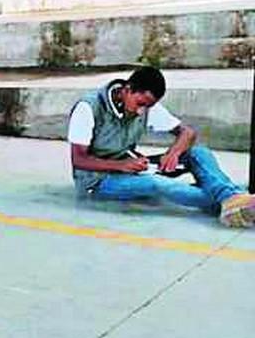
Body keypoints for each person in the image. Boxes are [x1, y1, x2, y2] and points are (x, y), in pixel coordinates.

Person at [69, 66, 255, 227]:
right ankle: (233, 200)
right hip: (97, 181)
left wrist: (173, 153)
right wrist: (121, 165)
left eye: (147, 106)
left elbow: (187, 133)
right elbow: (79, 160)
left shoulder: (146, 104)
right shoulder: (88, 108)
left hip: (131, 165)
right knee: (157, 184)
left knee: (198, 152)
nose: (142, 111)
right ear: (127, 89)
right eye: (140, 104)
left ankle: (232, 199)